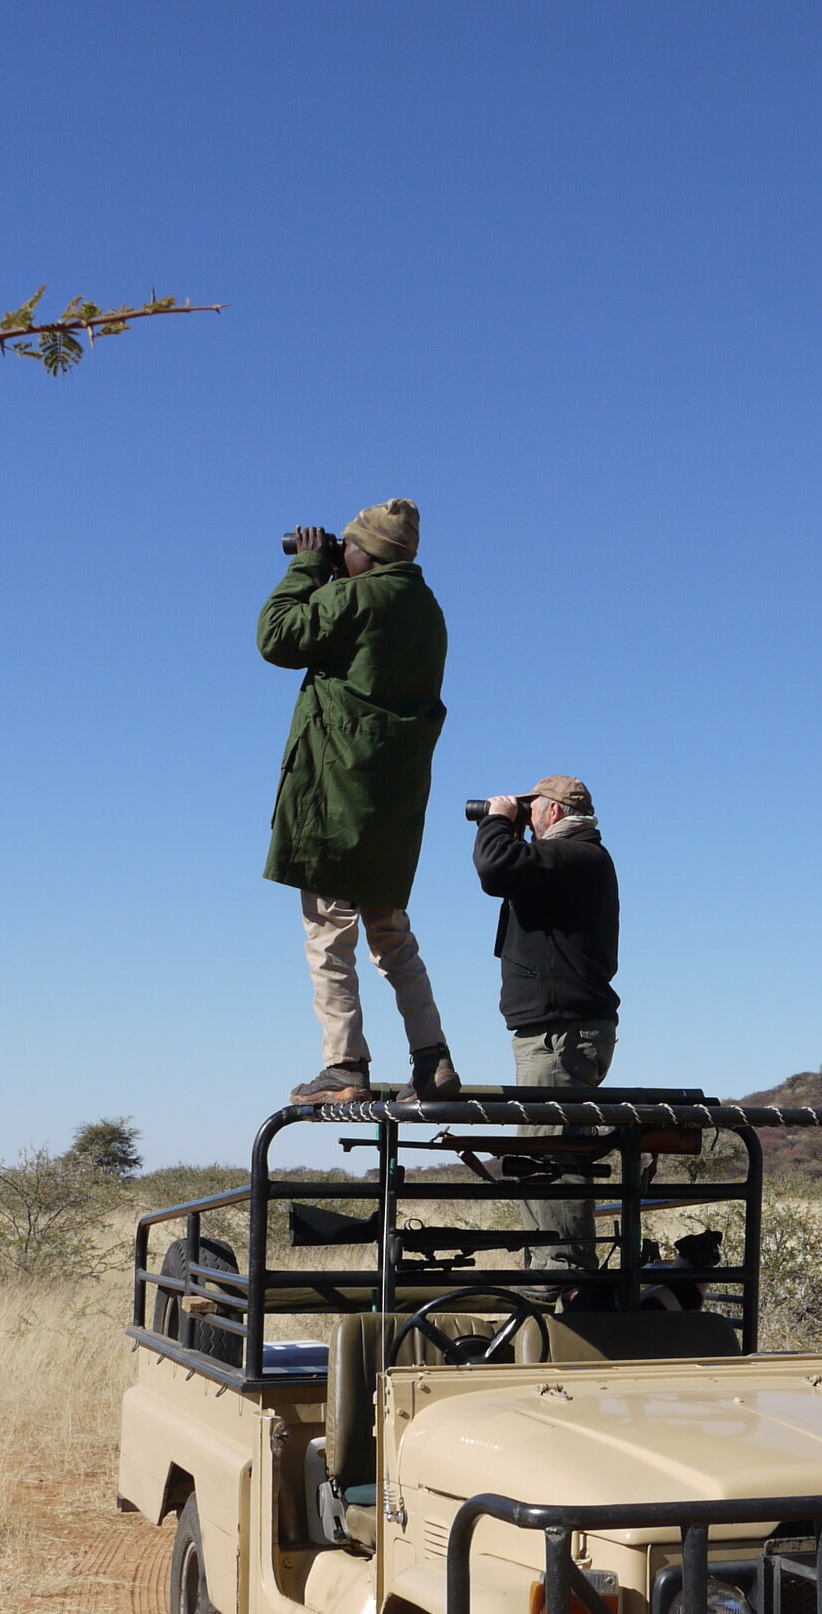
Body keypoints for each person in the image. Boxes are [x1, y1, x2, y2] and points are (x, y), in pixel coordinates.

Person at [257, 498, 463, 1105]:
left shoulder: (357, 597)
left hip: (337, 795)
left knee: (328, 932)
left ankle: (343, 1066)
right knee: (392, 934)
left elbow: (276, 637)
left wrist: (305, 570)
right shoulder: (427, 610)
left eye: (346, 546)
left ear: (366, 554)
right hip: (393, 805)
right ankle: (434, 1060)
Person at [473, 775, 619, 1268]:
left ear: (553, 812)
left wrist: (497, 820)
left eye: (531, 807)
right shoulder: (567, 863)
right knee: (542, 1154)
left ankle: (565, 1274)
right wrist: (511, 828)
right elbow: (511, 874)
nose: (525, 813)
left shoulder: (577, 857)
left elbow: (495, 869)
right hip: (556, 1031)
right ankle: (556, 1267)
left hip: (560, 1035)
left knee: (551, 1156)